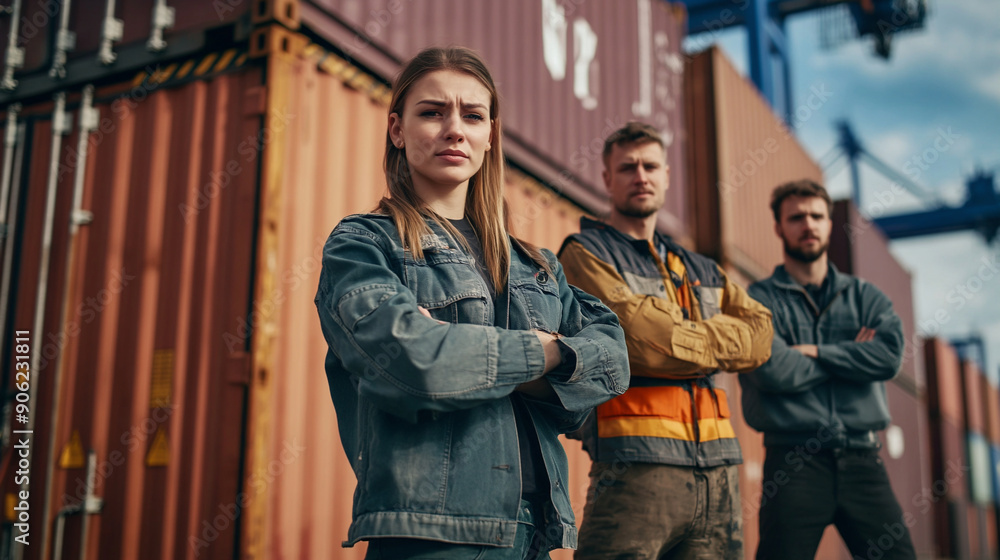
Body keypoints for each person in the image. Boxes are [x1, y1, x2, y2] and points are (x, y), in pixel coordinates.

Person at [314, 46, 629, 560]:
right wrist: (549, 354)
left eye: (473, 115)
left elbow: (610, 367)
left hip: (537, 535)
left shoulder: (539, 266)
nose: (454, 129)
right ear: (397, 130)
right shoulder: (364, 245)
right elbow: (413, 365)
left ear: (490, 136)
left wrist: (460, 349)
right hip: (431, 534)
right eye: (432, 112)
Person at [557, 121, 774, 560]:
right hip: (635, 465)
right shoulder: (585, 253)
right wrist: (717, 349)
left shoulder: (701, 266)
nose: (641, 176)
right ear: (607, 178)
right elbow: (637, 341)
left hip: (720, 473)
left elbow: (762, 336)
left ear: (667, 175)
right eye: (628, 167)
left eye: (651, 166)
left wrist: (677, 340)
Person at [740, 179, 916, 560]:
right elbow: (774, 370)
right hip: (793, 463)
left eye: (817, 216)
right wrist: (852, 356)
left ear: (829, 223)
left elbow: (886, 358)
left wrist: (815, 352)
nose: (809, 225)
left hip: (863, 459)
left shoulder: (866, 297)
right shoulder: (757, 300)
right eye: (797, 217)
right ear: (778, 227)